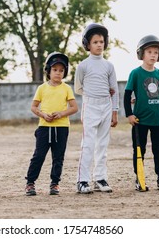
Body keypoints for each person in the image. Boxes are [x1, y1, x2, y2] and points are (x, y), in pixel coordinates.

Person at [25, 52, 78, 196]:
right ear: (48, 71)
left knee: (58, 157)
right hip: (44, 127)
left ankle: (55, 184)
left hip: (61, 128)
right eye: (55, 70)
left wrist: (61, 113)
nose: (58, 73)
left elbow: (74, 107)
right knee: (39, 156)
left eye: (61, 70)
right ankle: (30, 183)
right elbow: (34, 107)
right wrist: (42, 114)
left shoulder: (66, 88)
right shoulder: (42, 88)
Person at [74, 23, 119, 194]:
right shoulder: (83, 66)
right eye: (95, 42)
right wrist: (91, 95)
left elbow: (114, 89)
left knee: (102, 144)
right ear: (88, 44)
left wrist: (115, 111)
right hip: (90, 105)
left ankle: (100, 178)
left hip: (106, 106)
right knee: (88, 144)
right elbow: (78, 88)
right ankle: (82, 180)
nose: (99, 45)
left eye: (101, 41)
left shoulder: (109, 66)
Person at [124, 35, 159, 191]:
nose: (153, 55)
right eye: (149, 51)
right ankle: (140, 178)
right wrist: (129, 114)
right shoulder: (135, 73)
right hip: (140, 119)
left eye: (156, 52)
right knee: (139, 149)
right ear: (141, 54)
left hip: (158, 119)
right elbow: (127, 95)